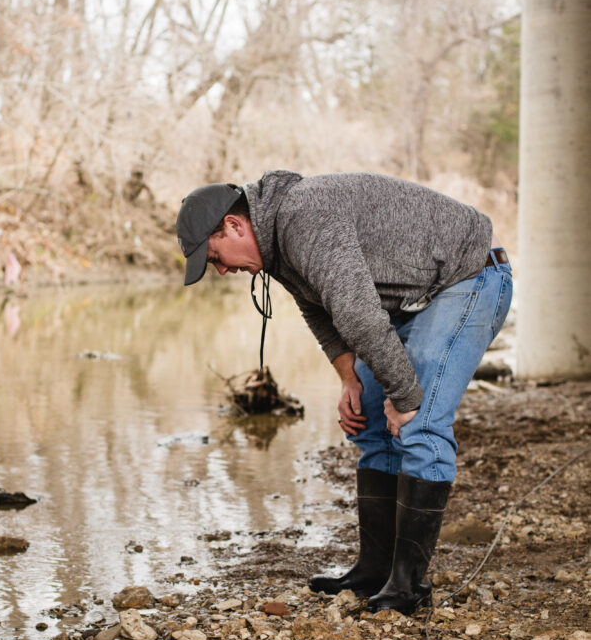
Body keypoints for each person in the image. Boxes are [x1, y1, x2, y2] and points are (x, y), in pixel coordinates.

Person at [176, 170, 512, 615]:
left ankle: (407, 587)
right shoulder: (275, 243)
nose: (221, 271)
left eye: (216, 257)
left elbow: (357, 316)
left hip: (467, 280)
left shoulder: (302, 216)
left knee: (421, 423)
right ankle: (375, 570)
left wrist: (406, 398)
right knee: (370, 417)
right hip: (410, 302)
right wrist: (348, 378)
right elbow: (318, 307)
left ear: (235, 226)